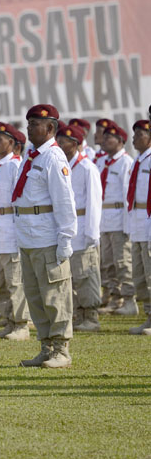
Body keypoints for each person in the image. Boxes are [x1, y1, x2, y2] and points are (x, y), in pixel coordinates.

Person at [14, 104, 77, 368]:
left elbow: (64, 202)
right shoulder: (32, 156)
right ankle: (46, 346)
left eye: (34, 124)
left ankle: (61, 349)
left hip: (48, 237)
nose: (29, 128)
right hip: (28, 237)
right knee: (36, 296)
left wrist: (65, 238)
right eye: (28, 124)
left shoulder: (53, 157)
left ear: (50, 128)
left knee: (55, 295)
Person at [0, 122, 30, 341]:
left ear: (11, 143)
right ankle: (8, 320)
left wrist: (19, 233)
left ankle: (21, 324)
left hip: (10, 228)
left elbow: (19, 201)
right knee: (0, 282)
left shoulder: (15, 165)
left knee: (15, 281)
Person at [56, 124, 102, 332]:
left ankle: (91, 316)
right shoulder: (63, 165)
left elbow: (94, 203)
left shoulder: (87, 168)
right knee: (72, 274)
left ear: (74, 144)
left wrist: (92, 233)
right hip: (69, 227)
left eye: (63, 141)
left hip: (84, 226)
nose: (59, 144)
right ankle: (78, 314)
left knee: (86, 274)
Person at [96, 123, 135, 315]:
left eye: (109, 138)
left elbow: (129, 195)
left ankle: (129, 300)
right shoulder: (104, 162)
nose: (104, 141)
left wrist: (129, 225)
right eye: (104, 138)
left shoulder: (125, 162)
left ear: (120, 141)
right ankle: (115, 297)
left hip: (120, 219)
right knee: (108, 262)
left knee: (123, 262)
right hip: (105, 219)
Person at [126, 117, 151, 336]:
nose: (134, 139)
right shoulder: (138, 160)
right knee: (141, 275)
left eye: (139, 135)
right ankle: (148, 316)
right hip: (138, 221)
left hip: (148, 218)